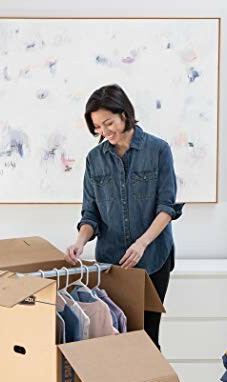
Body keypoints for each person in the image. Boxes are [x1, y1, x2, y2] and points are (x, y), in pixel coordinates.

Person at [64, 84, 183, 351]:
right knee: (117, 334)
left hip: (153, 258)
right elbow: (90, 213)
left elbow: (167, 207)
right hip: (113, 263)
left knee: (148, 336)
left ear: (125, 115)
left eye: (109, 123)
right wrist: (80, 242)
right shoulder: (95, 159)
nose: (104, 132)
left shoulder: (158, 150)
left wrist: (142, 243)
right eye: (97, 127)